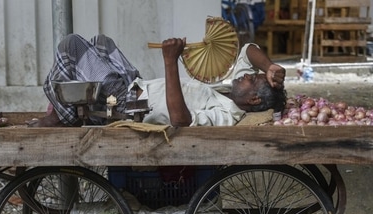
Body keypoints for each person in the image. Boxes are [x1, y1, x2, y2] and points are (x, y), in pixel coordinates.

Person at [28, 34, 286, 127]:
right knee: (101, 42)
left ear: (253, 99)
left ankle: (62, 116)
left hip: (128, 104)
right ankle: (69, 107)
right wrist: (269, 66)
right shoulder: (231, 91)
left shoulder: (227, 114)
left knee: (71, 45)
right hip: (135, 85)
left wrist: (170, 61)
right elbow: (248, 50)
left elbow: (181, 120)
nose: (245, 74)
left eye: (251, 78)